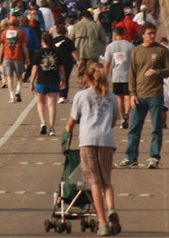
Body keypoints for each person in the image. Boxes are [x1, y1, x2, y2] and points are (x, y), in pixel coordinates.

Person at [64, 63, 122, 237]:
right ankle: (111, 208)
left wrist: (67, 131)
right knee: (106, 180)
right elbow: (114, 121)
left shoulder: (81, 95)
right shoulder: (111, 96)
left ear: (87, 79)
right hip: (106, 140)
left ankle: (103, 222)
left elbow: (73, 120)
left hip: (88, 140)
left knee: (94, 181)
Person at [118, 22, 169, 170]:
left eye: (153, 33)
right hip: (139, 95)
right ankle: (131, 157)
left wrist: (158, 72)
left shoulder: (161, 50)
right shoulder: (136, 51)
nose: (152, 36)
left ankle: (154, 157)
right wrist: (132, 94)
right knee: (134, 128)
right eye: (149, 33)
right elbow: (132, 74)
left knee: (156, 128)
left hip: (155, 94)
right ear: (142, 35)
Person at [29, 32, 66, 136]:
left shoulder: (38, 53)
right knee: (52, 104)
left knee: (40, 102)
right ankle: (52, 128)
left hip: (42, 81)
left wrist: (31, 82)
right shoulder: (56, 52)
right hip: (54, 80)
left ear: (42, 41)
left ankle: (42, 122)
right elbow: (61, 68)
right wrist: (63, 79)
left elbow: (35, 68)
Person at [102, 27, 134, 130]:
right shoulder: (130, 46)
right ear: (124, 34)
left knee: (119, 97)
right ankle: (126, 113)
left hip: (116, 75)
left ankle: (122, 118)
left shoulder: (111, 47)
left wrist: (104, 77)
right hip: (128, 75)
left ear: (115, 35)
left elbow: (107, 64)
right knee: (128, 97)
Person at [70, 9, 107, 86]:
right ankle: (93, 86)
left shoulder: (76, 26)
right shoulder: (96, 26)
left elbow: (70, 40)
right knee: (93, 71)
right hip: (93, 53)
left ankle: (82, 86)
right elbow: (104, 40)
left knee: (81, 72)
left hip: (80, 53)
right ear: (90, 17)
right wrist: (100, 49)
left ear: (82, 17)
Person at [0, 18, 30, 103]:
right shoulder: (20, 33)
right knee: (19, 77)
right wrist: (27, 57)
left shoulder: (4, 33)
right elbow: (24, 46)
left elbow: (1, 46)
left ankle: (12, 97)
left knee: (9, 78)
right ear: (17, 23)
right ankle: (18, 91)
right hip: (18, 57)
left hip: (7, 57)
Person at [50, 24, 77, 104]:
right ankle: (63, 96)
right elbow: (73, 52)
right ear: (66, 32)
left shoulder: (53, 41)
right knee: (65, 78)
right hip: (67, 62)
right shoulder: (68, 41)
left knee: (57, 78)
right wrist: (78, 60)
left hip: (55, 62)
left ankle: (56, 94)